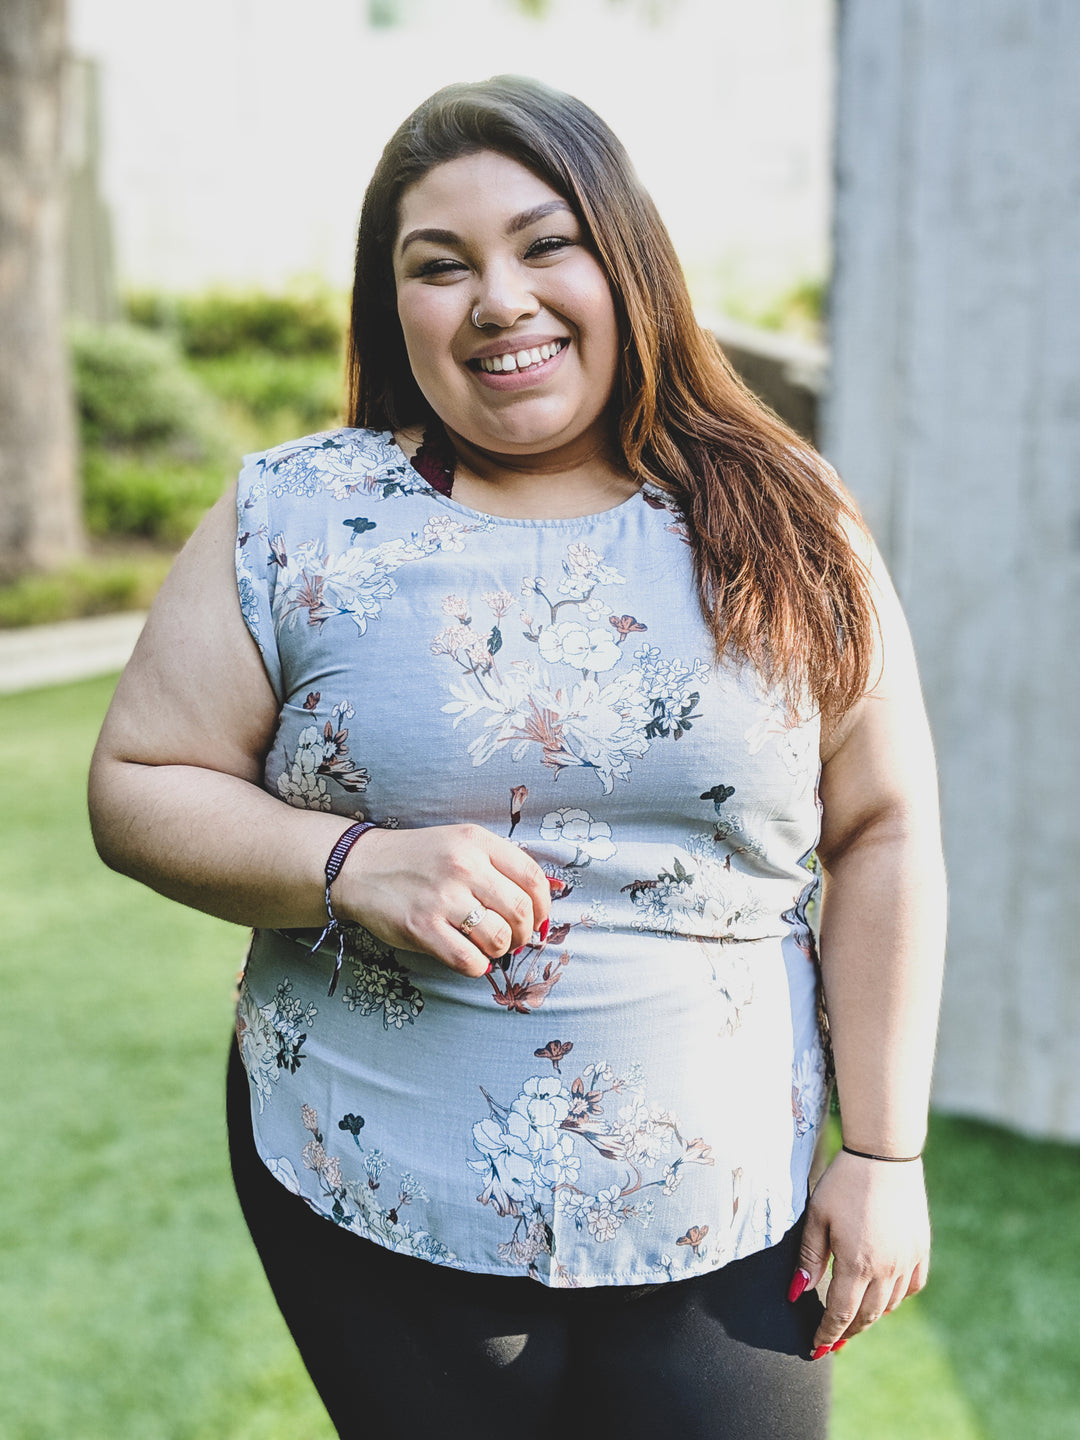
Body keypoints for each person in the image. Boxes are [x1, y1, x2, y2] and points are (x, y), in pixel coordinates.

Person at [88, 75, 946, 1440]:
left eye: (547, 244)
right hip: (372, 1184)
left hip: (725, 1197)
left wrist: (887, 1150)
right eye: (442, 265)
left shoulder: (788, 512)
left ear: (628, 260)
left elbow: (883, 826)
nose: (500, 297)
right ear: (396, 306)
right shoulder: (296, 515)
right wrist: (348, 863)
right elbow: (139, 786)